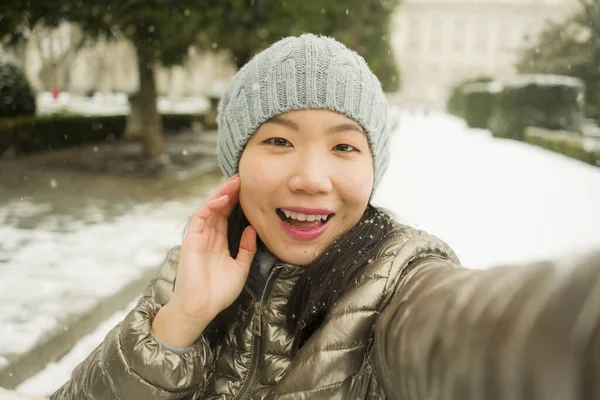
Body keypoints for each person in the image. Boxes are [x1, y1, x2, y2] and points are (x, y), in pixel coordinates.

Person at [50, 34, 600, 400]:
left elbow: (480, 336)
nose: (312, 177)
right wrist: (181, 322)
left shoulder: (400, 278)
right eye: (279, 140)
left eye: (343, 147)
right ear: (235, 160)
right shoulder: (191, 269)